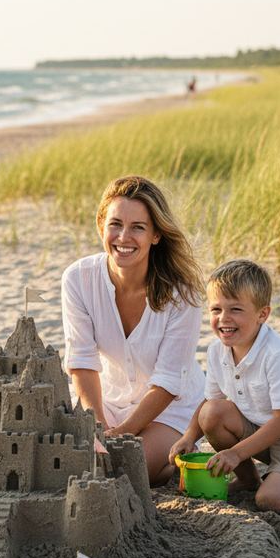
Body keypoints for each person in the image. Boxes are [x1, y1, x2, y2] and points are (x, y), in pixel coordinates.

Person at [61, 175, 205, 485]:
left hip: (169, 408)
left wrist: (121, 434)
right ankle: (165, 462)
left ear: (155, 235)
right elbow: (83, 362)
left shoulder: (183, 294)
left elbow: (167, 382)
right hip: (107, 403)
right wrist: (98, 427)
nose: (123, 237)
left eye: (138, 227)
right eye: (115, 224)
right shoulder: (78, 279)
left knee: (126, 470)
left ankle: (174, 459)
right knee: (72, 465)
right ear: (102, 225)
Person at [169, 259, 280, 513]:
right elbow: (209, 401)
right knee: (212, 413)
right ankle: (250, 481)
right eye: (216, 309)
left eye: (235, 309)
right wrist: (189, 436)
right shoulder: (218, 350)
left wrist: (235, 453)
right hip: (264, 434)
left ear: (262, 314)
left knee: (271, 501)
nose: (224, 319)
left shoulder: (278, 355)